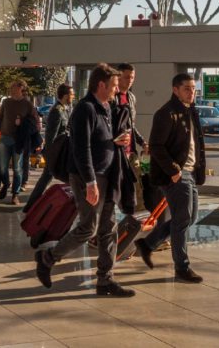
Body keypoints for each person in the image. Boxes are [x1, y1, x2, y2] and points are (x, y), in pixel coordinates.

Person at [34, 64, 136, 297]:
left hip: (108, 175)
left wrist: (115, 141)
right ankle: (47, 258)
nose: (115, 89)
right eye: (112, 86)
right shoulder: (85, 109)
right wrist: (90, 182)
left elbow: (103, 141)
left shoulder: (106, 107)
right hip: (87, 178)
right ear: (100, 85)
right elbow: (82, 149)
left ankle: (105, 280)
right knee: (88, 228)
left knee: (108, 229)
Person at [134, 73, 207, 283]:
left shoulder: (190, 111)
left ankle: (148, 244)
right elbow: (156, 146)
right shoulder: (166, 113)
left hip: (190, 173)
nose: (191, 92)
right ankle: (182, 267)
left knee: (189, 218)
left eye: (193, 88)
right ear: (175, 89)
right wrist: (174, 170)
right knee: (182, 220)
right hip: (175, 174)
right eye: (187, 88)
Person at [23, 84, 74, 213]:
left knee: (46, 178)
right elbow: (51, 135)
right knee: (48, 178)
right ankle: (31, 206)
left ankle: (31, 206)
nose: (73, 97)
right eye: (71, 94)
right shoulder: (56, 110)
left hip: (60, 151)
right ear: (65, 95)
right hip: (55, 153)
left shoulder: (64, 109)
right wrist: (51, 155)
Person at [0, 80, 39, 205]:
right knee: (2, 167)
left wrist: (22, 122)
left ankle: (15, 195)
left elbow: (35, 124)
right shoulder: (6, 102)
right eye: (11, 87)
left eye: (14, 87)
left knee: (17, 168)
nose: (12, 89)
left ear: (21, 89)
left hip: (19, 141)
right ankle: (6, 183)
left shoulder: (27, 105)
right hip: (5, 138)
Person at [114, 64, 153, 210]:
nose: (130, 80)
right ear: (118, 77)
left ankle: (137, 221)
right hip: (115, 155)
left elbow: (131, 125)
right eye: (126, 77)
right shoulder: (112, 98)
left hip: (131, 153)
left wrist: (142, 142)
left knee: (137, 189)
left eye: (132, 77)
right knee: (114, 193)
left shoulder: (131, 97)